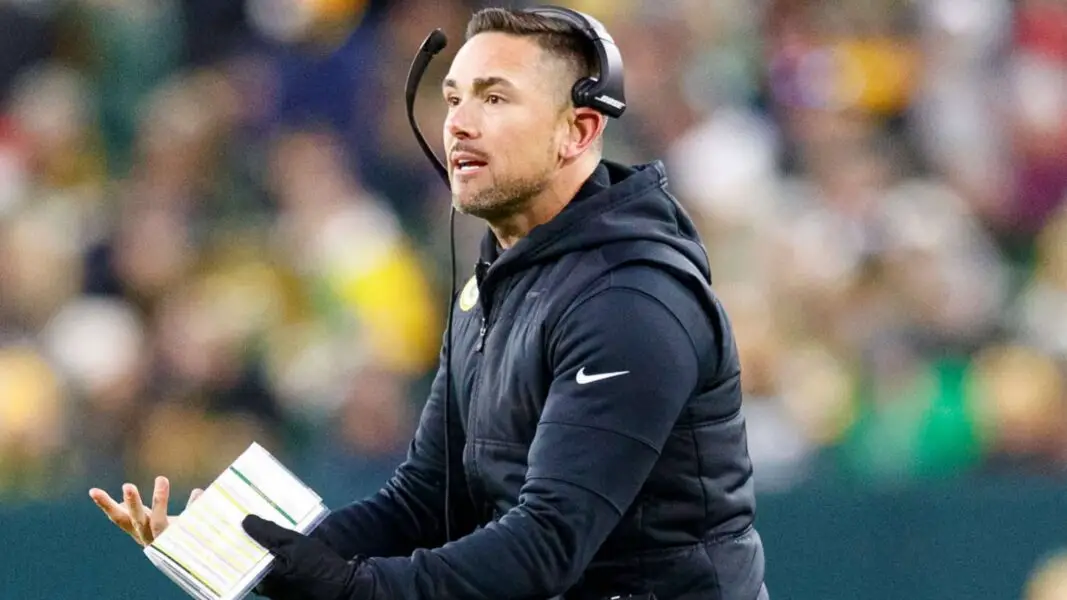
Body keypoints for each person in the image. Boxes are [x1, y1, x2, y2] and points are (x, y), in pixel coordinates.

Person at [89, 7, 769, 599]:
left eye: (495, 99)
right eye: (452, 98)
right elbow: (424, 500)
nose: (459, 125)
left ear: (579, 130)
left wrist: (356, 590)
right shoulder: (498, 278)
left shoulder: (629, 301)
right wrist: (252, 551)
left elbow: (548, 545)